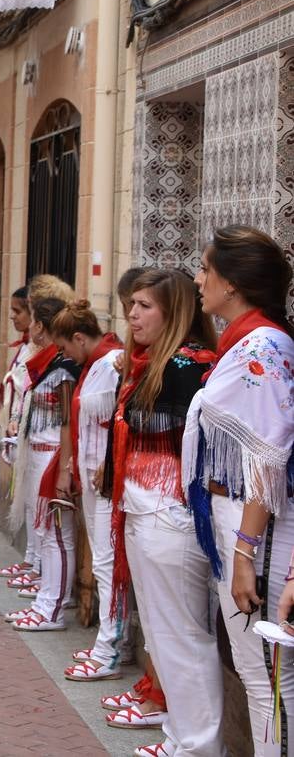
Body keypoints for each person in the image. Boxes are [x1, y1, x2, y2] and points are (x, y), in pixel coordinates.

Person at [186, 226, 294, 756]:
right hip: (240, 518)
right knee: (260, 673)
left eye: (205, 269)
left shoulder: (264, 344)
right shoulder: (246, 341)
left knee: (270, 677)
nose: (199, 279)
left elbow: (269, 457)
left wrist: (245, 553)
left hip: (258, 526)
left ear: (232, 282)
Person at [106, 269, 218, 756]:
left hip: (171, 513)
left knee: (183, 638)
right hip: (144, 507)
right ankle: (180, 737)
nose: (132, 314)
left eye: (144, 306)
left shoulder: (187, 366)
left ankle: (199, 747)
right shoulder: (151, 363)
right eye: (132, 304)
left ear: (174, 313)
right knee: (161, 633)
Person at [51, 301, 128, 679]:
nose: (65, 356)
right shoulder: (96, 366)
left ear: (79, 338)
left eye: (66, 347)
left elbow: (118, 419)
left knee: (107, 563)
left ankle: (110, 647)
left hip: (106, 481)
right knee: (104, 562)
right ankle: (111, 641)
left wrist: (107, 463)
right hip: (95, 477)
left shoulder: (112, 364)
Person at [4, 298, 79, 632]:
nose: (29, 327)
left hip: (52, 455)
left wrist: (64, 465)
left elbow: (67, 420)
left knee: (56, 535)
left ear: (41, 326)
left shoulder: (63, 368)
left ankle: (54, 607)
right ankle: (46, 600)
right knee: (45, 532)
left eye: (33, 320)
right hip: (38, 451)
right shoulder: (47, 364)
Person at [0, 286, 39, 582]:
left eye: (19, 311)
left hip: (40, 441)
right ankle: (32, 561)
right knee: (26, 503)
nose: (13, 317)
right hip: (21, 432)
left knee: (39, 512)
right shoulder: (26, 346)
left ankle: (40, 571)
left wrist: (19, 419)